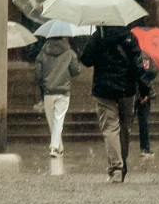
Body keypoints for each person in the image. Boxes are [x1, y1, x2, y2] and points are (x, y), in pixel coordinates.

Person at [77, 24, 144, 183]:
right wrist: (144, 87)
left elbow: (86, 60)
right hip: (126, 89)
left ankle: (116, 166)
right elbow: (137, 64)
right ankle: (122, 163)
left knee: (110, 127)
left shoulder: (98, 36)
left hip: (104, 89)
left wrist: (91, 45)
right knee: (125, 127)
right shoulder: (129, 37)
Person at [34, 33, 83, 157]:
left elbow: (38, 74)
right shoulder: (70, 53)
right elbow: (75, 70)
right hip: (63, 91)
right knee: (58, 119)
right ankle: (55, 147)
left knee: (52, 121)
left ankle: (58, 147)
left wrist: (46, 80)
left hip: (48, 92)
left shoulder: (42, 53)